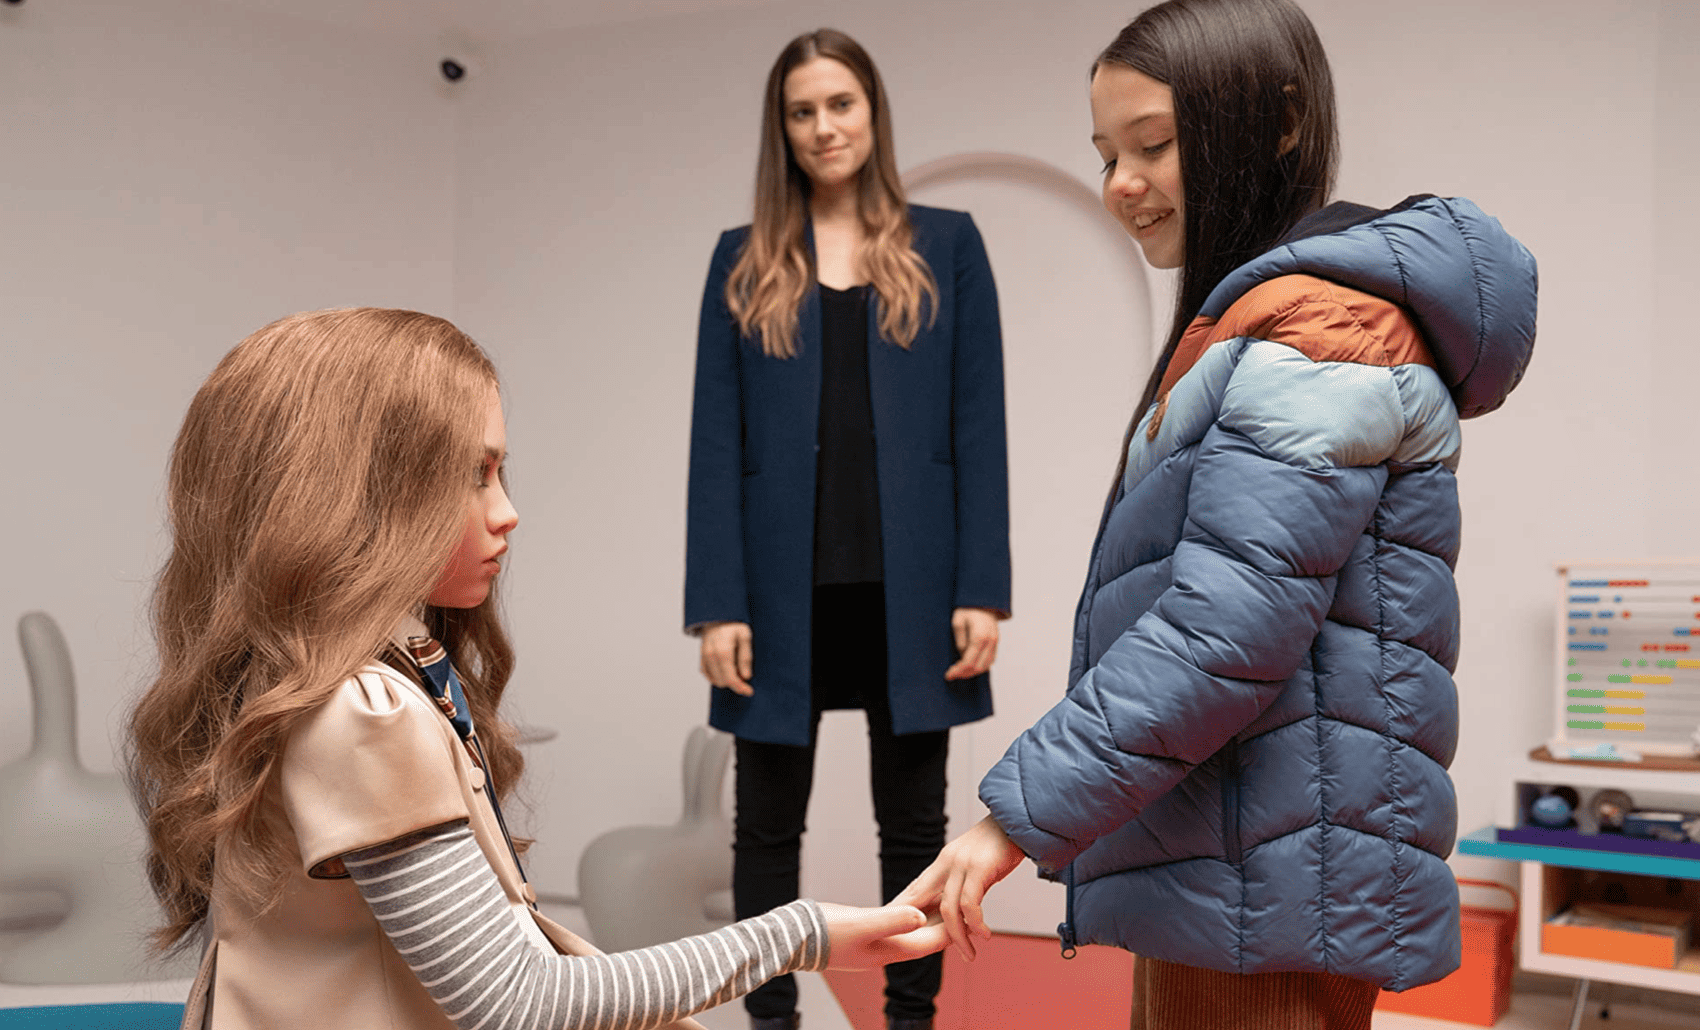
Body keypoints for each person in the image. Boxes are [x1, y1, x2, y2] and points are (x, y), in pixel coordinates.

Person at [896, 1, 1538, 1028]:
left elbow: (1222, 632)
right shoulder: (1260, 322)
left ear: (1277, 124)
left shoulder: (1320, 330)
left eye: (1151, 145)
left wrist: (1007, 821)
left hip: (1270, 881)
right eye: (1105, 154)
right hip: (1241, 866)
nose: (1119, 186)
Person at [125, 308, 947, 1030]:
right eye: (470, 475)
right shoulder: (363, 713)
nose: (507, 510)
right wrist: (793, 935)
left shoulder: (344, 679)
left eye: (500, 471)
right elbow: (517, 1003)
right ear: (352, 494)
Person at [683, 27, 1010, 1030]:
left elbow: (978, 425)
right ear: (780, 129)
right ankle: (770, 1020)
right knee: (765, 830)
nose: (823, 127)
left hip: (910, 590)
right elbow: (712, 442)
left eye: (839, 104)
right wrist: (715, 606)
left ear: (871, 112)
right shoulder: (740, 260)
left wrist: (982, 585)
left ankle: (910, 1020)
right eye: (801, 110)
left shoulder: (946, 244)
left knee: (912, 826)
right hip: (777, 597)